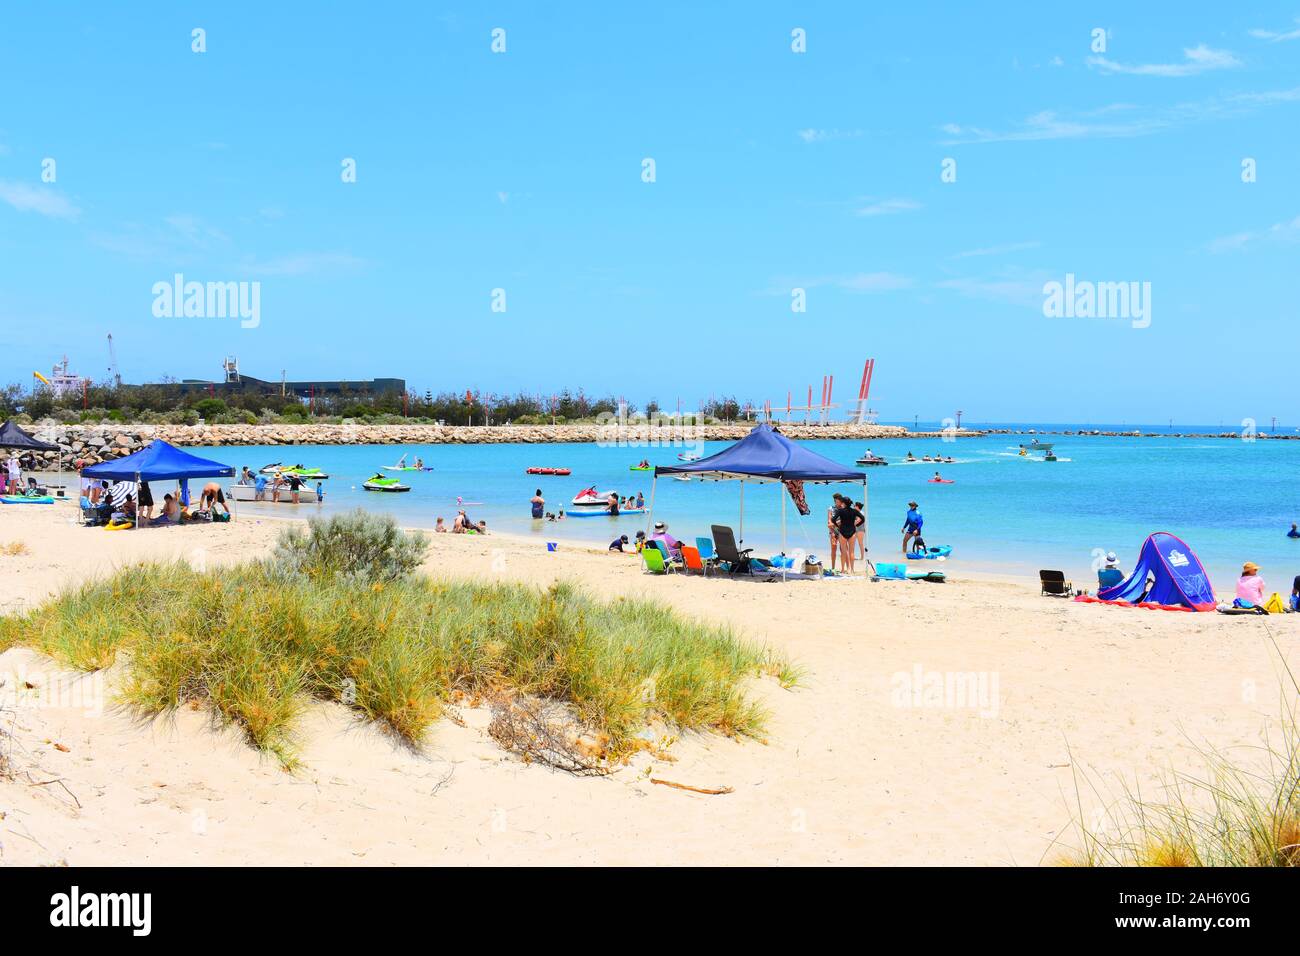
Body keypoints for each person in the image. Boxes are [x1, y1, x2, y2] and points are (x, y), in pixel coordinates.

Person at [833, 495, 864, 573]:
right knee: (852, 551)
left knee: (843, 552)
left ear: (843, 503)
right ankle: (852, 570)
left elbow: (833, 519)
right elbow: (863, 518)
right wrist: (856, 525)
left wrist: (837, 526)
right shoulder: (854, 511)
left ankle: (843, 569)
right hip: (852, 532)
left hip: (842, 532)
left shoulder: (840, 511)